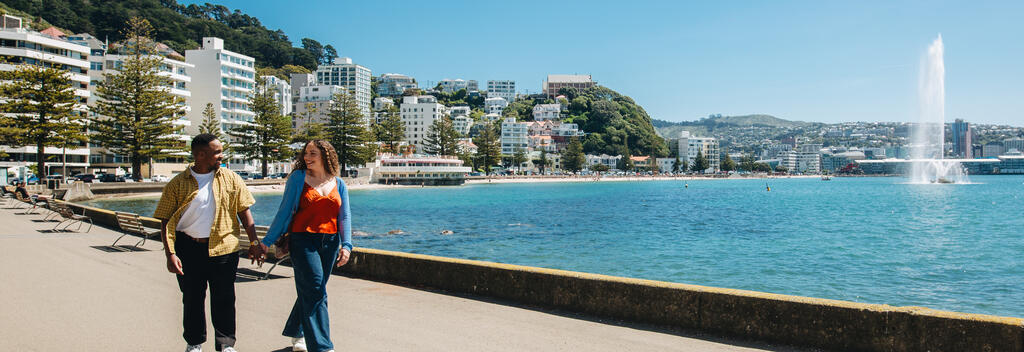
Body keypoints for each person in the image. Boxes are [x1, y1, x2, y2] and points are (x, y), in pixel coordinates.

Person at [153, 133, 259, 352]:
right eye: (217, 152)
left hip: (224, 249)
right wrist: (170, 254)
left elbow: (245, 213)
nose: (222, 156)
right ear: (201, 155)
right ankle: (194, 343)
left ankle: (226, 344)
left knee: (224, 299)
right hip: (188, 249)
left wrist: (254, 243)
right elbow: (165, 220)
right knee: (192, 298)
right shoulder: (177, 184)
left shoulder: (231, 178)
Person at [253, 140, 352, 352]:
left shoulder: (338, 183)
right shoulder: (298, 178)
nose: (307, 157)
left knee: (313, 290)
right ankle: (322, 347)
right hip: (303, 240)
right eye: (306, 153)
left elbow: (344, 216)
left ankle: (298, 332)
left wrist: (347, 245)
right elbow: (284, 211)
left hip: (330, 242)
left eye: (313, 153)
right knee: (315, 289)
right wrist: (266, 242)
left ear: (325, 156)